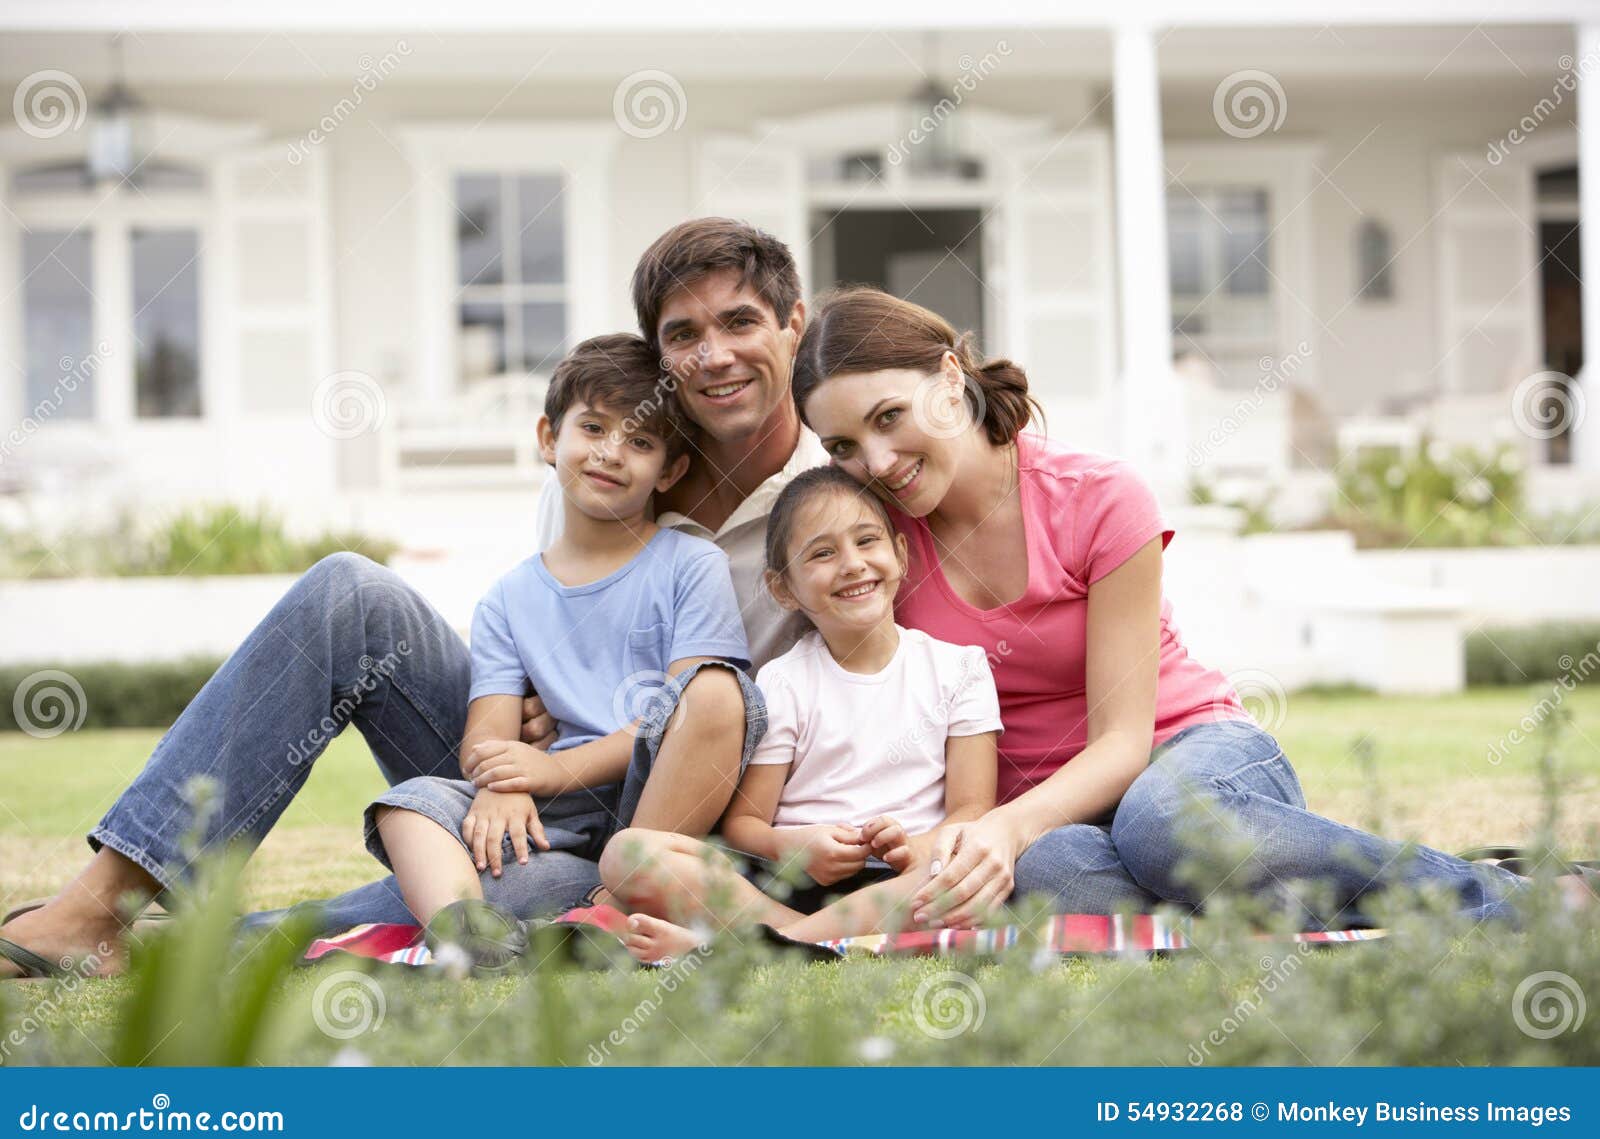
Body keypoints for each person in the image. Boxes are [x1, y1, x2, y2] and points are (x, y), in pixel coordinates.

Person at [0, 216, 826, 980]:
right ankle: (99, 906)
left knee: (501, 900)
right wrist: (511, 751)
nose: (714, 355)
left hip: (689, 818)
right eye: (684, 334)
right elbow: (537, 652)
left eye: (741, 322)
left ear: (793, 324)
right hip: (544, 786)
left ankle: (183, 946)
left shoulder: (840, 494)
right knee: (347, 592)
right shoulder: (597, 485)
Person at [789, 286, 1575, 932]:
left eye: (889, 417)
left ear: (948, 379)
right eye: (844, 447)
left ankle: (1502, 898)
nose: (877, 462)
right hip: (1056, 819)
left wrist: (1003, 824)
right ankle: (1263, 907)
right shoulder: (879, 545)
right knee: (1054, 873)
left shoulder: (1097, 497)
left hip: (1187, 757)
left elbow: (1127, 742)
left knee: (1163, 825)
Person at [363, 334, 757, 955]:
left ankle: (592, 902)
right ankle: (471, 935)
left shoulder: (691, 565)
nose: (611, 453)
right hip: (554, 828)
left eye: (641, 442)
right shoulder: (508, 597)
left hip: (656, 814)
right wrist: (502, 782)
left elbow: (694, 714)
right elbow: (487, 737)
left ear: (671, 470)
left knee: (714, 691)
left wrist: (553, 767)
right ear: (549, 438)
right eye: (594, 428)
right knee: (406, 807)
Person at [598, 466, 1000, 963]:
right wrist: (797, 848)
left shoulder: (959, 668)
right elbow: (745, 823)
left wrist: (915, 846)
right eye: (822, 553)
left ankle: (746, 948)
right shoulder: (784, 680)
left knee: (959, 869)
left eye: (866, 540)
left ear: (900, 554)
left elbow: (974, 810)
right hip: (784, 887)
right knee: (626, 853)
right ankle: (797, 943)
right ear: (783, 589)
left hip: (899, 885)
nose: (852, 564)